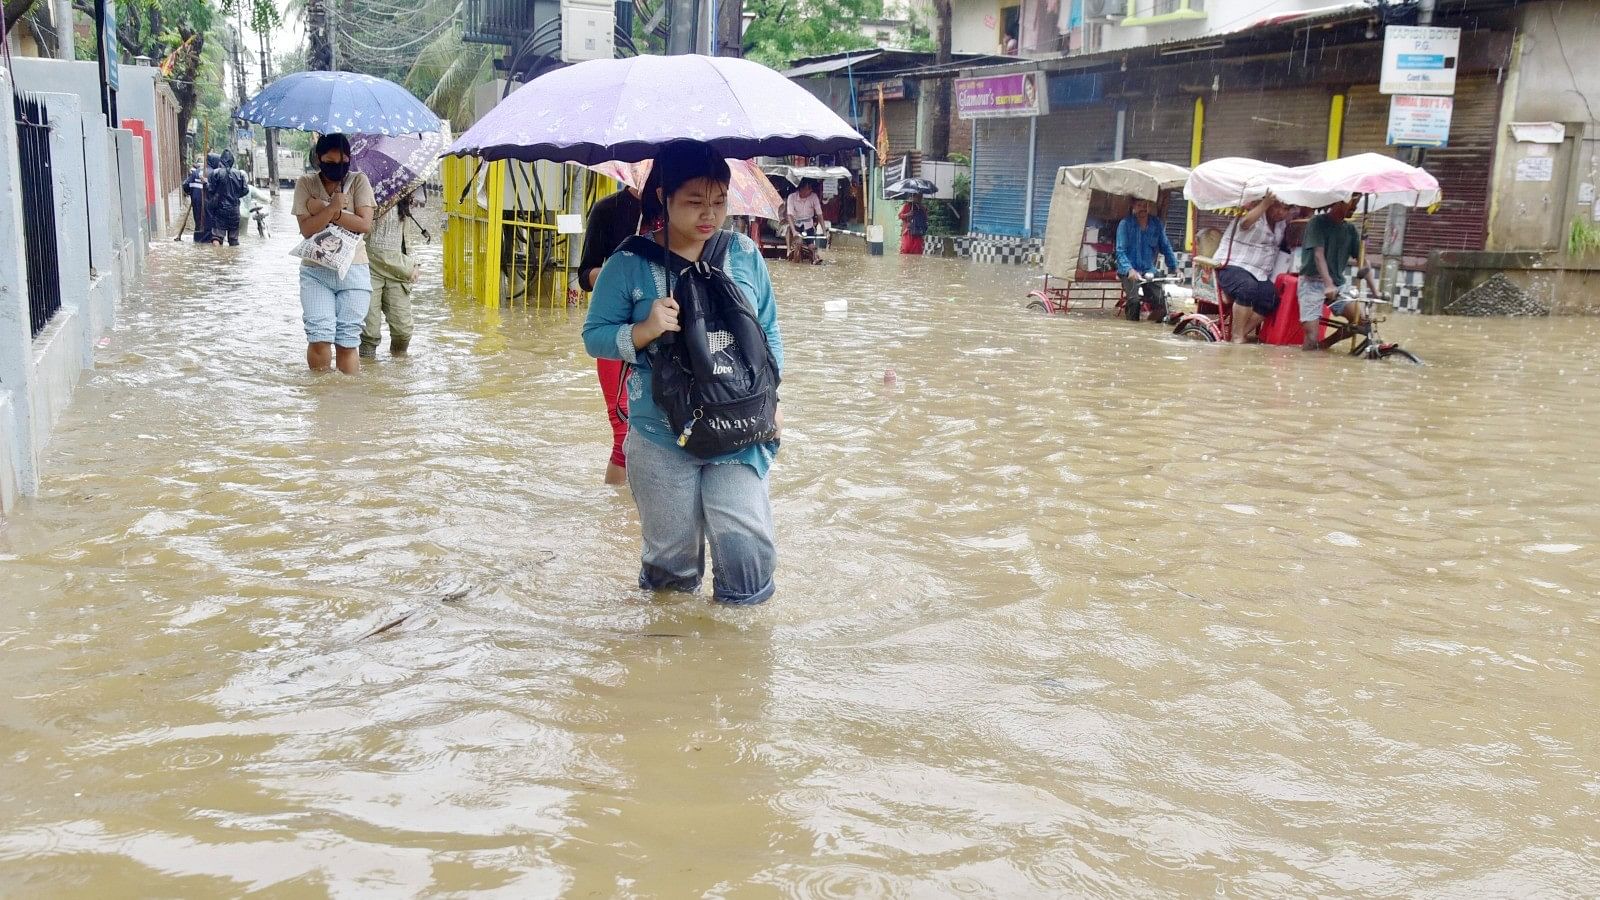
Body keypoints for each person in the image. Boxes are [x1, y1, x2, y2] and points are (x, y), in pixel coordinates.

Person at [581, 139, 783, 605]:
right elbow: (594, 336)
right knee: (670, 560)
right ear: (662, 198)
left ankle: (737, 650)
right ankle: (669, 649)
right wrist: (645, 329)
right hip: (658, 432)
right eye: (694, 202)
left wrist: (774, 402)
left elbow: (768, 333)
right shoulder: (628, 263)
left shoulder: (745, 255)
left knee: (745, 544)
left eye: (718, 201)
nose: (708, 214)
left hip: (740, 425)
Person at [577, 184, 645, 486]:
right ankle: (617, 518)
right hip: (614, 332)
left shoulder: (675, 209)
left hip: (662, 335)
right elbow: (584, 275)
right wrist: (618, 276)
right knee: (624, 433)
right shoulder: (607, 209)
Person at [293, 133, 375, 375]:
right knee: (319, 336)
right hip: (316, 272)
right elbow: (306, 229)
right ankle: (322, 396)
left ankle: (346, 400)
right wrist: (331, 207)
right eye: (330, 162)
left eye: (342, 162)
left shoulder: (359, 181)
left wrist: (334, 213)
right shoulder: (305, 184)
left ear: (349, 160)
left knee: (348, 341)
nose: (337, 167)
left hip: (354, 270)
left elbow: (364, 224)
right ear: (318, 159)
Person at [1297, 194, 1381, 351]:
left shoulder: (1350, 229)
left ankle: (1325, 345)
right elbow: (1318, 254)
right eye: (1353, 202)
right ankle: (1311, 353)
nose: (1355, 207)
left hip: (1338, 284)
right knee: (1311, 338)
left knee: (1362, 321)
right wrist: (1328, 284)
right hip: (1312, 282)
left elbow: (1362, 260)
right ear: (1341, 201)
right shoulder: (1317, 223)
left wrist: (1376, 291)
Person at [1213, 192, 1290, 343]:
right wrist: (1265, 203)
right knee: (1248, 287)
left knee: (1272, 297)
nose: (1281, 212)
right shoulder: (1254, 214)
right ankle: (1237, 336)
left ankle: (1240, 332)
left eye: (1286, 209)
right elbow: (1245, 223)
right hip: (1232, 266)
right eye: (1278, 207)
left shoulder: (1281, 225)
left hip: (1259, 273)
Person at [359, 190, 423, 360]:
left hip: (397, 269)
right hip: (368, 267)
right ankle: (368, 374)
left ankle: (400, 370)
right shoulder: (363, 197)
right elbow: (358, 233)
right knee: (369, 333)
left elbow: (406, 239)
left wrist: (415, 263)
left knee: (403, 330)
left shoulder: (404, 199)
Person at [1114, 197, 1179, 322]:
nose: (1142, 209)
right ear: (1133, 206)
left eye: (1145, 205)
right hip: (1129, 270)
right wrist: (1129, 270)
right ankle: (1132, 329)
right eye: (1139, 205)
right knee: (1134, 301)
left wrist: (1175, 267)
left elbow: (1165, 246)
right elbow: (1120, 251)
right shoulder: (1125, 224)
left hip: (1148, 269)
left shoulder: (1156, 224)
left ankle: (1151, 325)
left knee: (1161, 301)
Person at [205, 150, 249, 247]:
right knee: (233, 239)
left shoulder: (215, 173)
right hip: (234, 210)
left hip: (220, 209)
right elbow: (245, 190)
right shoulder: (240, 174)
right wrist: (236, 195)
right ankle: (232, 258)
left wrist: (206, 183)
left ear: (221, 161)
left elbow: (211, 190)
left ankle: (217, 258)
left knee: (217, 237)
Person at [784, 179, 825, 263]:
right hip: (795, 224)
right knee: (797, 241)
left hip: (809, 226)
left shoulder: (814, 197)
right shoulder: (791, 197)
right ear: (801, 189)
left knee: (812, 247)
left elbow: (819, 214)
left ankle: (815, 257)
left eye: (810, 189)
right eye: (807, 189)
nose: (809, 191)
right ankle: (788, 250)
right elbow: (790, 215)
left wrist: (824, 231)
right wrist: (794, 231)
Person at [184, 159, 208, 242]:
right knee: (208, 224)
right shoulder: (214, 172)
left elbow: (186, 185)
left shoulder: (195, 173)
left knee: (198, 222)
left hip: (196, 202)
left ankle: (197, 241)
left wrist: (190, 193)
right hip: (209, 203)